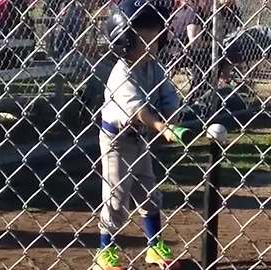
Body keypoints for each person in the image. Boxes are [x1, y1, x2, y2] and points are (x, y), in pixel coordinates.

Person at [94, 0, 191, 269]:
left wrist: (172, 118)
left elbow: (168, 96)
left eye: (155, 40)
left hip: (139, 140)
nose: (152, 48)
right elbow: (138, 111)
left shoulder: (153, 67)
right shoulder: (121, 74)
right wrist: (162, 127)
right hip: (116, 141)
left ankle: (154, 248)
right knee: (116, 198)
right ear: (123, 43)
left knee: (149, 193)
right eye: (143, 42)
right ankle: (105, 252)